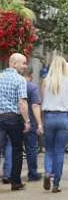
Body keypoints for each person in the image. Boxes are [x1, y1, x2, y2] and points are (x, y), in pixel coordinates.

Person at [41, 54, 68, 193]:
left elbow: (43, 100)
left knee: (49, 149)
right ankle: (56, 183)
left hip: (49, 116)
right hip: (63, 118)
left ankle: (48, 172)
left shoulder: (45, 81)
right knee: (59, 151)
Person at [2, 65, 43, 184]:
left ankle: (8, 173)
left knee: (11, 147)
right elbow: (35, 105)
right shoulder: (32, 87)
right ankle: (32, 173)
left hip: (13, 119)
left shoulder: (11, 82)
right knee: (31, 148)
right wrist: (39, 123)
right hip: (28, 121)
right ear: (31, 75)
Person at [0, 53, 30, 191]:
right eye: (23, 63)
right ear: (13, 63)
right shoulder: (20, 80)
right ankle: (15, 182)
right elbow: (22, 102)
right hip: (13, 118)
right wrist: (27, 120)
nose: (25, 66)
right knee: (17, 150)